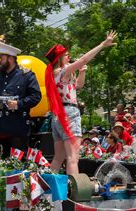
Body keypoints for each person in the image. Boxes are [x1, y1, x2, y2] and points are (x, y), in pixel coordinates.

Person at [45, 31, 117, 174]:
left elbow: (78, 86)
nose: (69, 56)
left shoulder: (55, 73)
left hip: (58, 115)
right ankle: (74, 193)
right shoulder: (63, 70)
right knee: (73, 158)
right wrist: (102, 45)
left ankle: (48, 190)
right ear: (59, 58)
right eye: (66, 54)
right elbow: (84, 59)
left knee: (58, 158)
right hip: (69, 113)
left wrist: (81, 72)